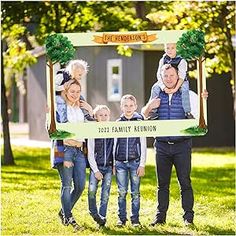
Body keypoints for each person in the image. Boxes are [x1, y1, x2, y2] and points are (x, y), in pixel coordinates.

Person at [142, 64, 208, 227]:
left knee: (184, 181)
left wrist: (203, 99)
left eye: (172, 75)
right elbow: (143, 115)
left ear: (177, 75)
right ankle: (160, 217)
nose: (169, 79)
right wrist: (151, 106)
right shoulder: (157, 94)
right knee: (162, 184)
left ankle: (188, 217)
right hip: (162, 146)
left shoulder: (187, 93)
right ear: (162, 77)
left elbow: (200, 113)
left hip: (182, 145)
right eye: (166, 76)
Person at [51, 80, 93, 231]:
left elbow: (94, 125)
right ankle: (69, 218)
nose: (75, 94)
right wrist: (62, 153)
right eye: (72, 91)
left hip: (80, 150)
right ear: (66, 92)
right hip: (66, 150)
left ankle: (63, 211)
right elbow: (52, 128)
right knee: (67, 184)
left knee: (80, 186)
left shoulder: (82, 108)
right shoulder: (61, 107)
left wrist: (90, 110)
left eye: (78, 91)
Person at [114, 94, 147, 227]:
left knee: (135, 193)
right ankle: (121, 219)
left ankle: (135, 219)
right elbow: (114, 143)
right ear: (121, 107)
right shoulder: (117, 123)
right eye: (125, 105)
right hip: (120, 163)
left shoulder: (139, 123)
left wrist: (142, 164)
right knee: (122, 192)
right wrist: (113, 162)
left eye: (131, 105)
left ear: (135, 107)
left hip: (135, 162)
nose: (128, 108)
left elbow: (143, 144)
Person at [150, 43, 193, 119]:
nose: (169, 50)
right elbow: (159, 75)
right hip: (164, 80)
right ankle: (153, 112)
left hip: (181, 80)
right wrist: (163, 87)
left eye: (172, 48)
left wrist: (175, 89)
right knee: (155, 88)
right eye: (167, 48)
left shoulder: (182, 60)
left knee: (185, 89)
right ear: (164, 49)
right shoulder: (163, 59)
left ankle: (187, 112)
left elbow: (182, 77)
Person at [87, 105, 114, 227]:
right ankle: (93, 212)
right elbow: (90, 152)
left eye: (106, 115)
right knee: (92, 191)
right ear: (96, 117)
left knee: (105, 194)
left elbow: (114, 149)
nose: (103, 117)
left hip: (108, 167)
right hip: (96, 167)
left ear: (109, 116)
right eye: (100, 115)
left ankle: (102, 219)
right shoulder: (93, 132)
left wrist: (113, 165)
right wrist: (95, 170)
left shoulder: (112, 131)